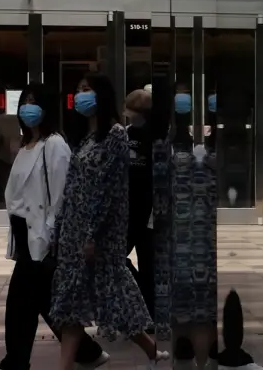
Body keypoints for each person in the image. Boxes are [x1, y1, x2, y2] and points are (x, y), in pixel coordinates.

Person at [49, 74, 167, 370]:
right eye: (79, 89)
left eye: (87, 89)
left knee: (115, 297)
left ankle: (152, 351)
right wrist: (61, 228)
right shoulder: (86, 138)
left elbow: (107, 189)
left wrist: (92, 234)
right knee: (71, 303)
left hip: (100, 234)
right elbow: (72, 186)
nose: (81, 95)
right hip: (75, 230)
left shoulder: (115, 136)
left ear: (101, 95)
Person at [0, 85, 107, 370]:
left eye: (34, 102)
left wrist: (50, 235)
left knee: (20, 305)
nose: (28, 107)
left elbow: (61, 196)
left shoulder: (54, 145)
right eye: (25, 102)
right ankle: (88, 352)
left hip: (42, 237)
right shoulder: (26, 146)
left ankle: (16, 362)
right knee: (43, 302)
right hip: (24, 235)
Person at [123, 88, 162, 315]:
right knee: (116, 260)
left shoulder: (157, 139)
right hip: (126, 212)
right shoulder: (124, 135)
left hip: (148, 214)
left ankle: (151, 313)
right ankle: (140, 301)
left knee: (149, 267)